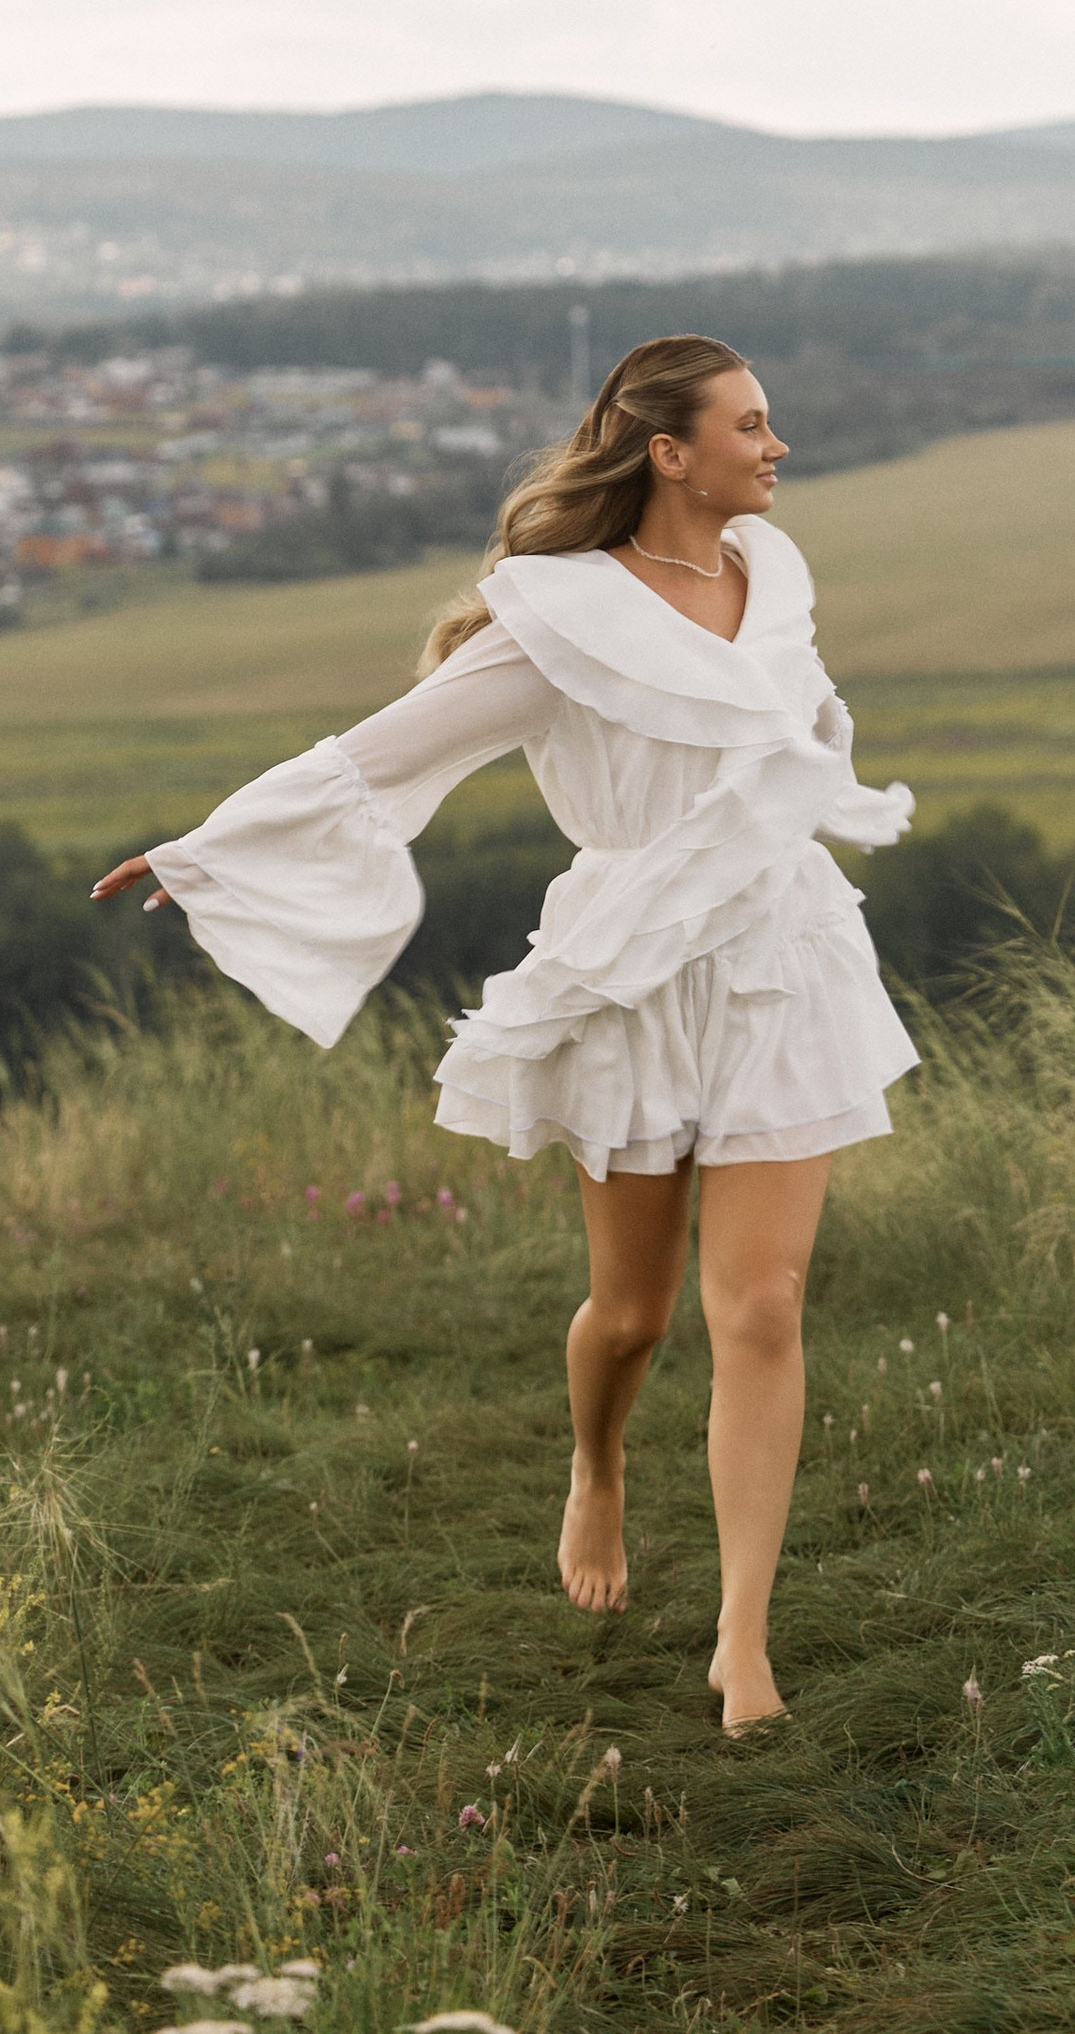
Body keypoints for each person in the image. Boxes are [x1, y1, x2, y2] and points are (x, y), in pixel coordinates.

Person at [91, 335, 917, 1731]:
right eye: (751, 426)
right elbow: (382, 752)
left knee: (761, 1307)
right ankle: (596, 1465)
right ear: (670, 451)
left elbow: (797, 730)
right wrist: (206, 853)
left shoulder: (773, 577)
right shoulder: (557, 624)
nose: (777, 447)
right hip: (631, 976)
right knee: (634, 1315)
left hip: (782, 957)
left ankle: (743, 1642)